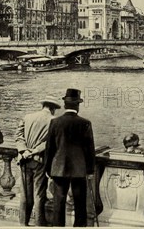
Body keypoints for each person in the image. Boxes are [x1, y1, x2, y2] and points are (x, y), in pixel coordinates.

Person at [45, 89, 96, 227]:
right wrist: (90, 170)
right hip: (79, 169)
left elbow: (50, 148)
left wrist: (48, 168)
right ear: (77, 106)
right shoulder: (85, 123)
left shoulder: (55, 122)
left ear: (65, 105)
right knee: (80, 203)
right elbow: (89, 150)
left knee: (59, 202)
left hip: (59, 167)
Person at [15, 96, 61, 226]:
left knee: (25, 194)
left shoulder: (27, 116)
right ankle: (39, 223)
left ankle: (23, 223)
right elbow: (49, 143)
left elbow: (18, 136)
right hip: (39, 160)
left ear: (43, 105)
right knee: (39, 194)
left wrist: (24, 151)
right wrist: (34, 151)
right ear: (52, 108)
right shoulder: (54, 120)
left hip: (24, 159)